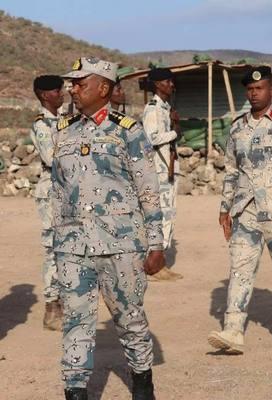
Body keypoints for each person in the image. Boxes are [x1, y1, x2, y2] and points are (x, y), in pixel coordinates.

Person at [52, 57, 165, 400]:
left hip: (122, 244)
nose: (72, 88)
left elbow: (148, 188)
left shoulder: (127, 130)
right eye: (71, 83)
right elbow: (58, 190)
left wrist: (156, 244)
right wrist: (57, 239)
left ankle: (142, 383)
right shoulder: (64, 130)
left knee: (130, 320)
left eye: (79, 83)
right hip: (73, 245)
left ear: (103, 88)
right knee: (75, 321)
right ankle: (75, 391)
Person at [208, 66, 272, 354]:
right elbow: (232, 171)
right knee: (240, 270)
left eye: (259, 89)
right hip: (245, 210)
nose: (254, 93)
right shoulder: (237, 127)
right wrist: (225, 208)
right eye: (249, 89)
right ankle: (233, 330)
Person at [30, 75, 64, 330]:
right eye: (56, 90)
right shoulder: (42, 125)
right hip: (51, 191)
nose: (61, 92)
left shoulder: (64, 119)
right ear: (44, 95)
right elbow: (52, 158)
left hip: (67, 191)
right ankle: (52, 308)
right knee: (54, 249)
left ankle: (65, 301)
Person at [143, 68, 183, 281]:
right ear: (158, 84)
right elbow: (152, 138)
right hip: (159, 170)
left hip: (168, 168)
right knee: (161, 216)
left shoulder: (165, 108)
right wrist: (175, 131)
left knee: (168, 216)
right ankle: (153, 265)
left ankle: (159, 262)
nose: (171, 85)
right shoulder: (153, 109)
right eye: (168, 82)